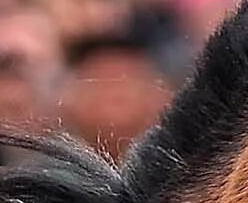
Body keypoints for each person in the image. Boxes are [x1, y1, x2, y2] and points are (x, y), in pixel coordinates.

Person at [62, 27, 170, 157]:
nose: (113, 95)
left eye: (127, 83)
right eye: (101, 84)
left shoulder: (182, 168)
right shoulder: (45, 169)